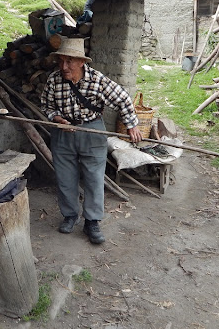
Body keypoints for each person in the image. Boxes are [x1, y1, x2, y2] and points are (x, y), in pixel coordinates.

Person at [40, 38, 142, 244]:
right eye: (61, 61)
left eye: (69, 61)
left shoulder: (97, 81)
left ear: (81, 62)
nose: (64, 66)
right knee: (65, 176)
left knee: (94, 178)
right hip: (64, 131)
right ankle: (69, 215)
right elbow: (46, 106)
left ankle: (92, 221)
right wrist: (55, 118)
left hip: (92, 130)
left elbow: (122, 98)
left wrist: (131, 124)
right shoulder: (53, 80)